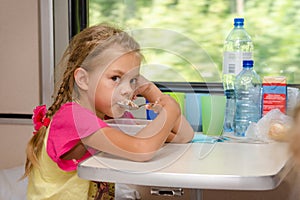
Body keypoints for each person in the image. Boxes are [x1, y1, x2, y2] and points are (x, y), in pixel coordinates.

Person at [23, 23, 194, 200]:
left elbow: (184, 136)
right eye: (115, 78)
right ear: (83, 79)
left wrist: (151, 90)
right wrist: (170, 108)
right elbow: (142, 149)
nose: (127, 89)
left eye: (133, 80)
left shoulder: (112, 119)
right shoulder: (74, 117)